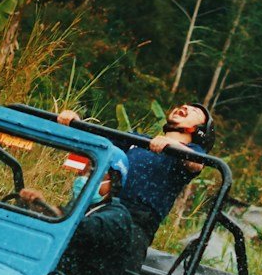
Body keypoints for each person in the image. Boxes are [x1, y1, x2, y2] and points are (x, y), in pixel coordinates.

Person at [34, 158, 148, 275]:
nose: (83, 178)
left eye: (93, 173)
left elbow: (84, 230)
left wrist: (51, 213)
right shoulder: (75, 210)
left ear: (113, 182)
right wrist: (33, 208)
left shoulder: (117, 217)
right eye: (82, 173)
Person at [58, 102, 214, 240]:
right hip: (102, 207)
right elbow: (99, 143)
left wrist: (171, 145)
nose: (185, 107)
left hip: (136, 222)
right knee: (57, 218)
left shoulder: (191, 153)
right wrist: (76, 123)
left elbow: (197, 163)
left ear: (200, 131)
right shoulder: (138, 141)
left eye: (194, 111)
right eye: (184, 106)